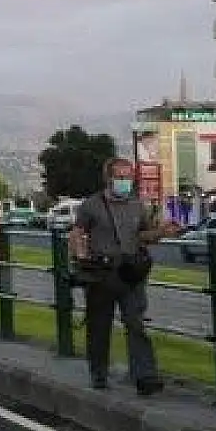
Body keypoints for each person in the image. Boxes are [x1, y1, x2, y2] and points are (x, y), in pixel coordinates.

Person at [70, 157, 177, 395]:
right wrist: (80, 258)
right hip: (101, 273)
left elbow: (144, 235)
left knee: (136, 323)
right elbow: (77, 233)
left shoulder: (138, 206)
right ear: (108, 178)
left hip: (130, 273)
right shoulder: (91, 206)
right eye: (120, 176)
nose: (124, 181)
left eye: (128, 177)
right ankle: (99, 373)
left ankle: (145, 376)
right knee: (99, 326)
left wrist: (163, 231)